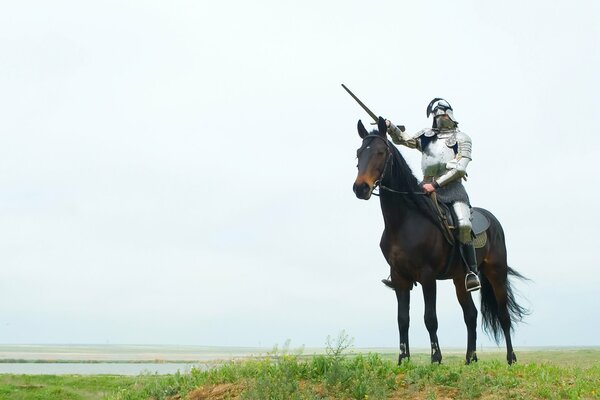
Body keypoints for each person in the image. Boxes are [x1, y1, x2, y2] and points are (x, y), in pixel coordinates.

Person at [385, 98, 481, 292]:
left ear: (451, 114)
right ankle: (399, 266)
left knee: (463, 225)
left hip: (452, 189)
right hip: (425, 188)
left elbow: (460, 168)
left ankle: (471, 272)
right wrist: (390, 127)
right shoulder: (428, 136)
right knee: (404, 218)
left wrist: (436, 184)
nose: (440, 118)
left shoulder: (462, 138)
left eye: (443, 113)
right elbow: (405, 139)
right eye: (437, 115)